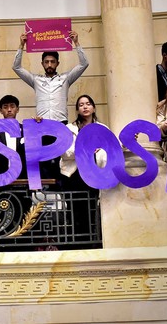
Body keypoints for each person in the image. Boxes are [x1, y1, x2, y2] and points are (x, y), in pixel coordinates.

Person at [58, 94, 104, 247]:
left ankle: (92, 244)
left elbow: (110, 149)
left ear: (93, 107)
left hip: (93, 173)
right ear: (77, 110)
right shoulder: (69, 129)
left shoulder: (102, 128)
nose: (85, 107)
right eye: (81, 104)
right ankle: (76, 245)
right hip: (73, 175)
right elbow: (65, 153)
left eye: (88, 103)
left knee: (91, 209)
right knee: (74, 211)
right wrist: (84, 148)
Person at [13, 30, 88, 123]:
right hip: (41, 122)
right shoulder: (36, 80)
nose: (49, 65)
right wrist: (21, 45)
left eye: (52, 62)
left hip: (61, 122)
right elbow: (16, 67)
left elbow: (84, 64)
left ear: (57, 63)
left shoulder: (66, 78)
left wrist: (76, 43)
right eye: (46, 62)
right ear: (42, 64)